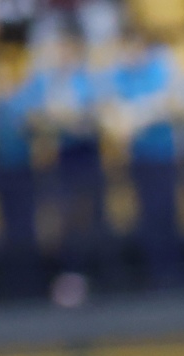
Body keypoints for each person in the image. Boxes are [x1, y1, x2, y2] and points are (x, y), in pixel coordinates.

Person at [37, 29, 110, 307]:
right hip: (62, 158)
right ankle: (70, 276)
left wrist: (73, 120)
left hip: (87, 156)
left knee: (90, 218)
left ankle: (96, 277)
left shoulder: (90, 81)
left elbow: (96, 118)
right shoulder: (48, 82)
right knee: (64, 219)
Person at [107, 30, 182, 287]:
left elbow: (170, 103)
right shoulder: (118, 75)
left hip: (163, 154)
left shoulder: (159, 69)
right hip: (138, 157)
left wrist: (139, 114)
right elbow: (115, 117)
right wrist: (141, 114)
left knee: (166, 211)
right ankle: (154, 271)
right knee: (147, 214)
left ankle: (172, 270)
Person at [0, 57, 45, 299]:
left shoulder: (21, 103)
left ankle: (31, 282)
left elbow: (32, 127)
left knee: (25, 225)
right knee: (7, 228)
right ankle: (14, 284)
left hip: (23, 171)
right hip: (1, 172)